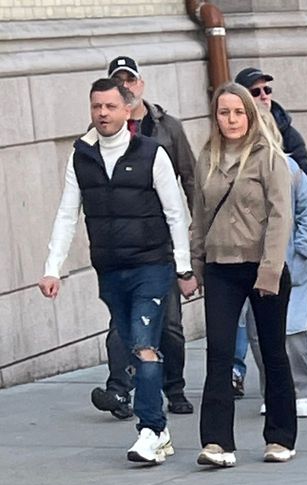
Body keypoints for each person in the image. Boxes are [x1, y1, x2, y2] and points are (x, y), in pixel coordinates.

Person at [38, 73, 195, 467]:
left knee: (144, 345)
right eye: (97, 106)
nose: (103, 113)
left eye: (110, 106)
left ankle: (150, 429)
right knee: (131, 344)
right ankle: (159, 431)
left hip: (152, 265)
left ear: (128, 110)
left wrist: (182, 266)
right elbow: (67, 214)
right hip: (110, 269)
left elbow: (175, 212)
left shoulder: (151, 153)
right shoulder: (82, 156)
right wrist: (52, 268)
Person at [190, 82, 294, 467]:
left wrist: (270, 269)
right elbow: (199, 216)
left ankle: (280, 437)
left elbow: (281, 217)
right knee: (219, 353)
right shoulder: (208, 157)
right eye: (224, 112)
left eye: (238, 112)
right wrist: (195, 266)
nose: (231, 120)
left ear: (250, 115)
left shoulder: (269, 156)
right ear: (215, 117)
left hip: (263, 266)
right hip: (221, 267)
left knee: (272, 351)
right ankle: (217, 442)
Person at [98, 55, 196, 421]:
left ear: (140, 85)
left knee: (169, 323)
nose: (125, 87)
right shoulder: (100, 134)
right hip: (120, 248)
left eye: (130, 80)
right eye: (117, 81)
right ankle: (118, 391)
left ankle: (175, 388)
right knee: (120, 325)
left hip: (161, 245)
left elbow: (190, 178)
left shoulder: (167, 128)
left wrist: (195, 235)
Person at [247, 155, 307, 415]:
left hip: (289, 263)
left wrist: (302, 248)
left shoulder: (288, 168)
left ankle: (301, 390)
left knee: (293, 332)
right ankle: (273, 391)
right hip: (251, 264)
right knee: (259, 335)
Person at [234, 67, 307, 181]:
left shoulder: (288, 134)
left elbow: (306, 181)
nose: (264, 96)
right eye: (255, 92)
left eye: (267, 90)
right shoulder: (233, 132)